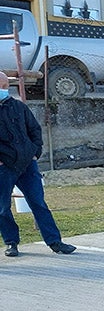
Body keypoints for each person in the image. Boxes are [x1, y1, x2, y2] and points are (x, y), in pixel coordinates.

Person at [0, 72, 76, 258]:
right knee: (2, 208)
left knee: (38, 203)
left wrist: (35, 153)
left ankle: (55, 242)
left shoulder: (18, 106)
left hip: (27, 165)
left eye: (4, 85)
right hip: (4, 167)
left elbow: (34, 130)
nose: (3, 89)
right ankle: (11, 243)